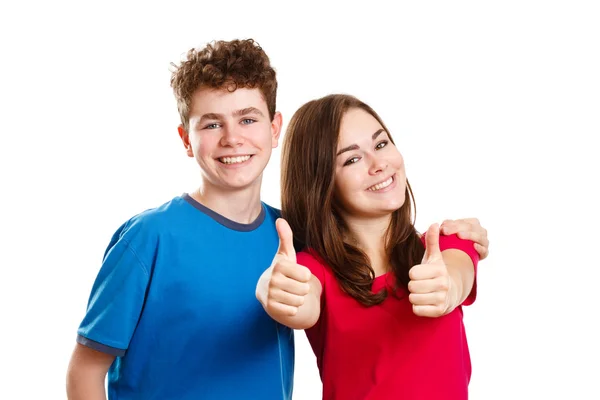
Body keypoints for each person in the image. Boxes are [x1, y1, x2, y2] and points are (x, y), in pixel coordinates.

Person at [66, 39, 489, 399]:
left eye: (248, 119)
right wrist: (280, 292)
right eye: (212, 124)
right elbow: (86, 369)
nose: (233, 138)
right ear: (186, 139)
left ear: (274, 128)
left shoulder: (296, 234)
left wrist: (464, 252)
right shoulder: (149, 238)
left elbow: (336, 276)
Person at [257, 93, 483, 400]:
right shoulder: (314, 271)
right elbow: (302, 303)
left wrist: (447, 288)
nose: (379, 165)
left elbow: (458, 274)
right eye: (352, 159)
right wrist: (279, 290)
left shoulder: (444, 246)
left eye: (380, 144)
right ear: (320, 183)